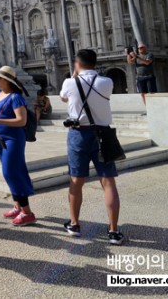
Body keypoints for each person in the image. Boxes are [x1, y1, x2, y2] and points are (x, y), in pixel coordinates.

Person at [60, 49, 124, 245]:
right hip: (103, 135)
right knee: (108, 182)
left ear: (77, 64)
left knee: (76, 180)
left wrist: (74, 76)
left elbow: (64, 98)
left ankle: (75, 224)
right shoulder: (107, 82)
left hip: (79, 134)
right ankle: (113, 231)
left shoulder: (70, 82)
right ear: (95, 63)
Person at [0, 66, 37, 226]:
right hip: (0, 138)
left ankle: (27, 212)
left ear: (6, 80)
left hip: (14, 138)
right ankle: (18, 206)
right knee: (9, 172)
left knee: (11, 172)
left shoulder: (15, 97)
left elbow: (22, 121)